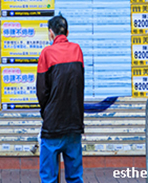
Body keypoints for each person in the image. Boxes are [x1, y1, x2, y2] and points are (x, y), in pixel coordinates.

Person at [37, 15, 85, 183]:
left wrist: (47, 113)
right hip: (74, 122)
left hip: (53, 125)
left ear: (51, 33)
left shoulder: (46, 53)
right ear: (67, 32)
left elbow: (41, 92)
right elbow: (80, 86)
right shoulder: (77, 50)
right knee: (75, 177)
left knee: (49, 178)